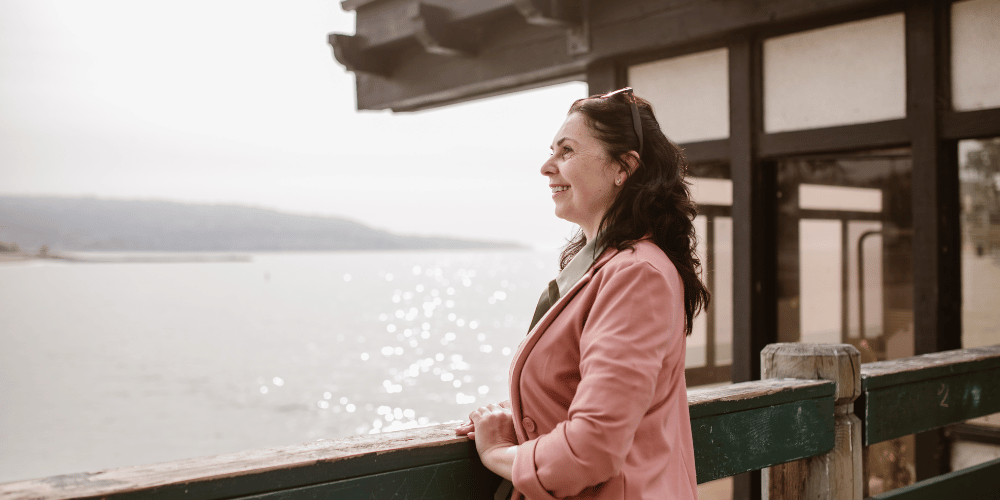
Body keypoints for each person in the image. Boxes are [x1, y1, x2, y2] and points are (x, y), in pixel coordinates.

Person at [455, 87, 709, 500]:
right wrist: (521, 413)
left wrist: (500, 452)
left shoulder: (635, 274)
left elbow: (590, 450)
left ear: (622, 167)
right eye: (551, 151)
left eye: (567, 151)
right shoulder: (614, 267)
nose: (546, 166)